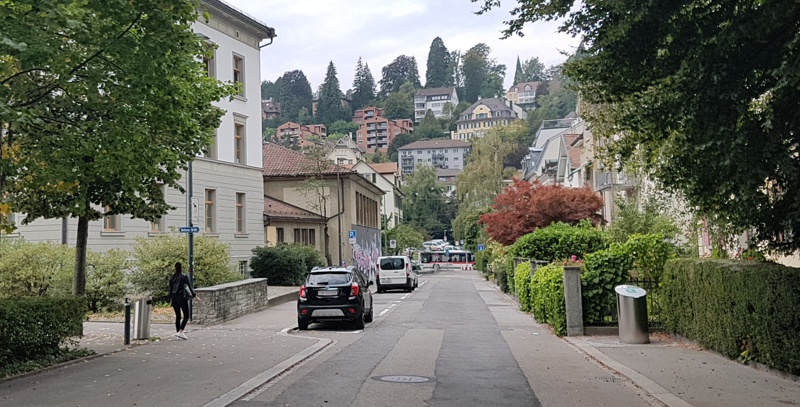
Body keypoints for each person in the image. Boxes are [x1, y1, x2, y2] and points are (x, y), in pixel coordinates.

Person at [168, 262, 198, 340]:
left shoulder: (172, 277)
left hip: (174, 298)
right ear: (181, 267)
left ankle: (178, 332)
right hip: (181, 297)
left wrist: (171, 298)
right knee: (186, 315)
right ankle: (181, 331)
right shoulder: (184, 276)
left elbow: (170, 289)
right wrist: (195, 296)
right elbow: (189, 287)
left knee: (178, 316)